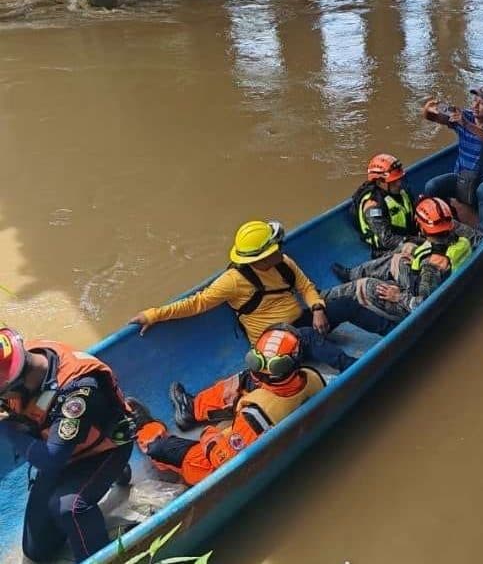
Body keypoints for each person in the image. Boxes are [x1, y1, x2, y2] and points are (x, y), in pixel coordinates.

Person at [129, 220, 353, 429]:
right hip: (272, 346)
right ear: (260, 259)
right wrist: (154, 315)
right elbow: (197, 302)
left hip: (298, 328)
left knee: (341, 306)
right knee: (292, 346)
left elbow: (305, 286)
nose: (281, 248)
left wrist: (317, 308)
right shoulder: (233, 281)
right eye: (277, 246)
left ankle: (384, 328)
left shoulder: (283, 263)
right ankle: (352, 367)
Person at [0, 328, 134, 563]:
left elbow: (52, 459)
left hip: (103, 449)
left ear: (17, 383)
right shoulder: (28, 362)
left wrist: (7, 429)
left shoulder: (77, 392)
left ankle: (101, 558)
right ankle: (113, 477)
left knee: (69, 508)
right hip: (63, 447)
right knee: (36, 551)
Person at [133, 325, 324, 486]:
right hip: (278, 417)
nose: (256, 372)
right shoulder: (312, 376)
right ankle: (191, 408)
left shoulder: (253, 416)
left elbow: (221, 459)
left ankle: (145, 431)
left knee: (161, 449)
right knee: (243, 380)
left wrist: (210, 433)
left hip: (220, 464)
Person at [324, 197, 473, 331]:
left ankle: (323, 298)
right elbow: (478, 237)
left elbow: (424, 306)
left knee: (367, 285)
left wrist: (398, 296)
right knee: (400, 257)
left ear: (422, 227)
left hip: (412, 307)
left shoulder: (430, 267)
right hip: (435, 283)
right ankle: (352, 274)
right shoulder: (459, 238)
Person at [422, 86, 483, 231]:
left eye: (481, 103)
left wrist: (467, 125)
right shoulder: (464, 115)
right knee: (432, 187)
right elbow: (434, 117)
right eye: (475, 100)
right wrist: (429, 109)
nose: (475, 105)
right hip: (462, 177)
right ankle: (447, 220)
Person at [351, 153, 419, 258]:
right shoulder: (373, 205)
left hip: (409, 236)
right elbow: (386, 239)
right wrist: (416, 242)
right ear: (379, 182)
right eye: (393, 181)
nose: (399, 183)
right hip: (386, 251)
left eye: (399, 179)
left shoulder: (400, 192)